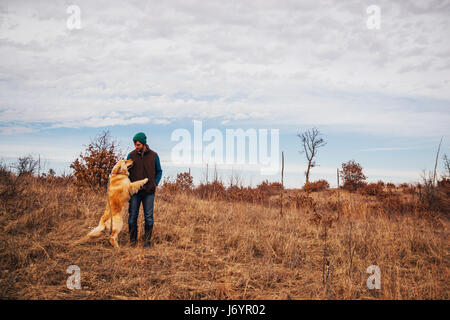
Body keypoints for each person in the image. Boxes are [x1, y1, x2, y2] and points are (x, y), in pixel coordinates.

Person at [126, 132, 162, 247]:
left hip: (149, 192)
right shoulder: (131, 156)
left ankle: (147, 243)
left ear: (144, 144)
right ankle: (133, 243)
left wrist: (155, 183)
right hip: (135, 192)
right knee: (132, 218)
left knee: (149, 218)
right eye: (135, 144)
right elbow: (125, 172)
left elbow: (159, 171)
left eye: (138, 144)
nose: (136, 147)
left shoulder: (154, 155)